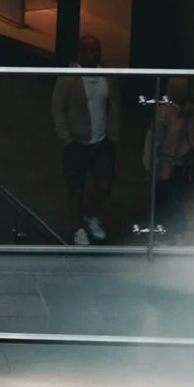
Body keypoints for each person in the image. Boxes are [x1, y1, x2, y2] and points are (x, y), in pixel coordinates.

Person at [52, 32, 117, 244]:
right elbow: (57, 108)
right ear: (80, 54)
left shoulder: (105, 74)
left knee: (104, 185)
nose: (96, 54)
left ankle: (91, 215)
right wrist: (66, 139)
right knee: (76, 189)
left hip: (102, 142)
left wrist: (113, 133)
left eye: (97, 50)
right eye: (91, 51)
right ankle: (77, 227)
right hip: (78, 143)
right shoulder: (69, 78)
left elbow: (112, 104)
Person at [143, 76, 194, 234]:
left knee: (177, 199)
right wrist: (150, 165)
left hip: (184, 165)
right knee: (168, 200)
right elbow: (153, 139)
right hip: (166, 165)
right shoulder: (163, 112)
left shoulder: (192, 112)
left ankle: (174, 233)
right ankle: (171, 233)